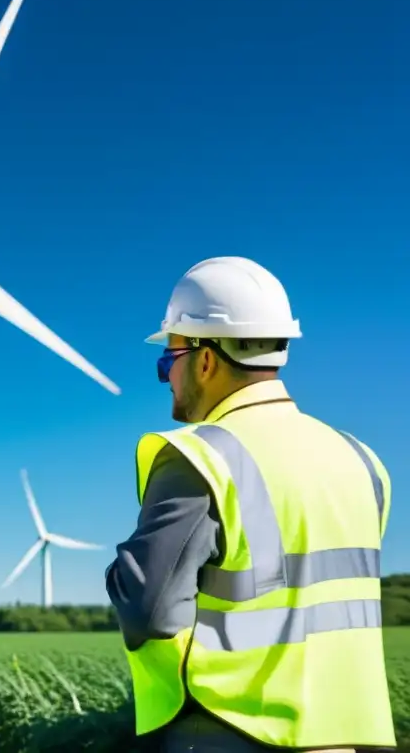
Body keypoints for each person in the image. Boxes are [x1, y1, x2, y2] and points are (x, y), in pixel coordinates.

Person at [105, 257, 395, 752]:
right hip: (341, 736)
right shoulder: (362, 462)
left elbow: (148, 607)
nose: (166, 381)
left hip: (230, 727)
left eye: (167, 362)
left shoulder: (200, 458)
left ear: (205, 360)